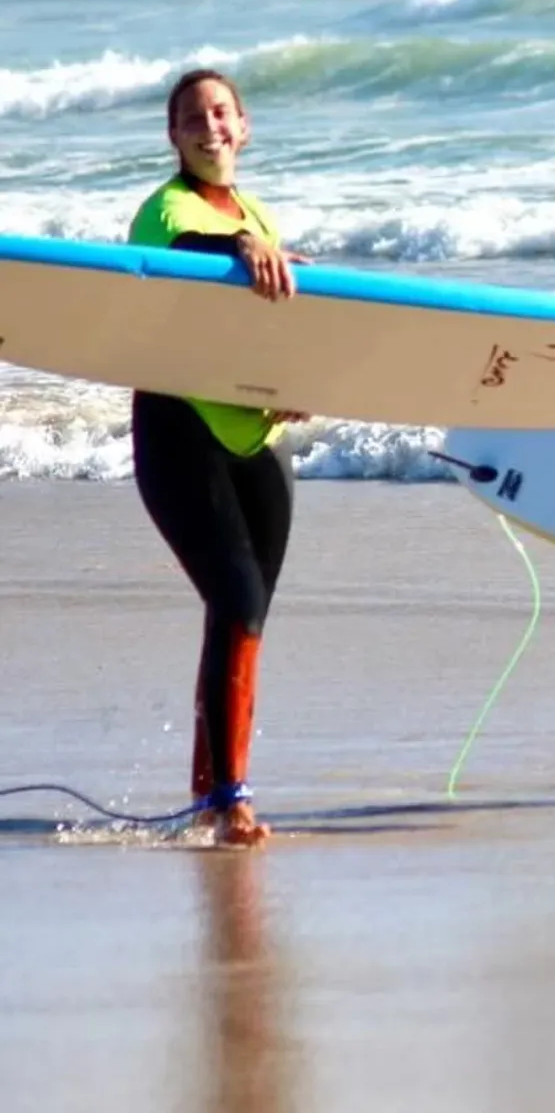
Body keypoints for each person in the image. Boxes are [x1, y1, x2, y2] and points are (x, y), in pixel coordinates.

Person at [129, 70, 303, 846]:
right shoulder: (164, 210)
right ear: (173, 135)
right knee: (235, 598)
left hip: (256, 435)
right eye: (193, 117)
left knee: (245, 612)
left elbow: (270, 322)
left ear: (244, 125)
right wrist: (240, 245)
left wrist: (296, 383)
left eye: (222, 113)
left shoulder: (260, 212)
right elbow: (182, 255)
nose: (210, 127)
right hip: (180, 428)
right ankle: (231, 800)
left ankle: (210, 789)